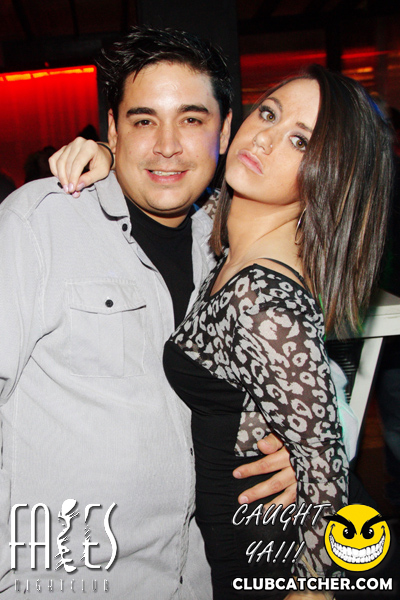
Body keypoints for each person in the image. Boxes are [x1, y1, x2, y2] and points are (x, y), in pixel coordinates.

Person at [0, 27, 296, 599]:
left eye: (191, 119)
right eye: (143, 121)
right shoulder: (39, 224)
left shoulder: (233, 246)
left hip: (198, 577)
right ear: (112, 131)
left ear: (224, 132)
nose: (167, 145)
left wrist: (288, 447)